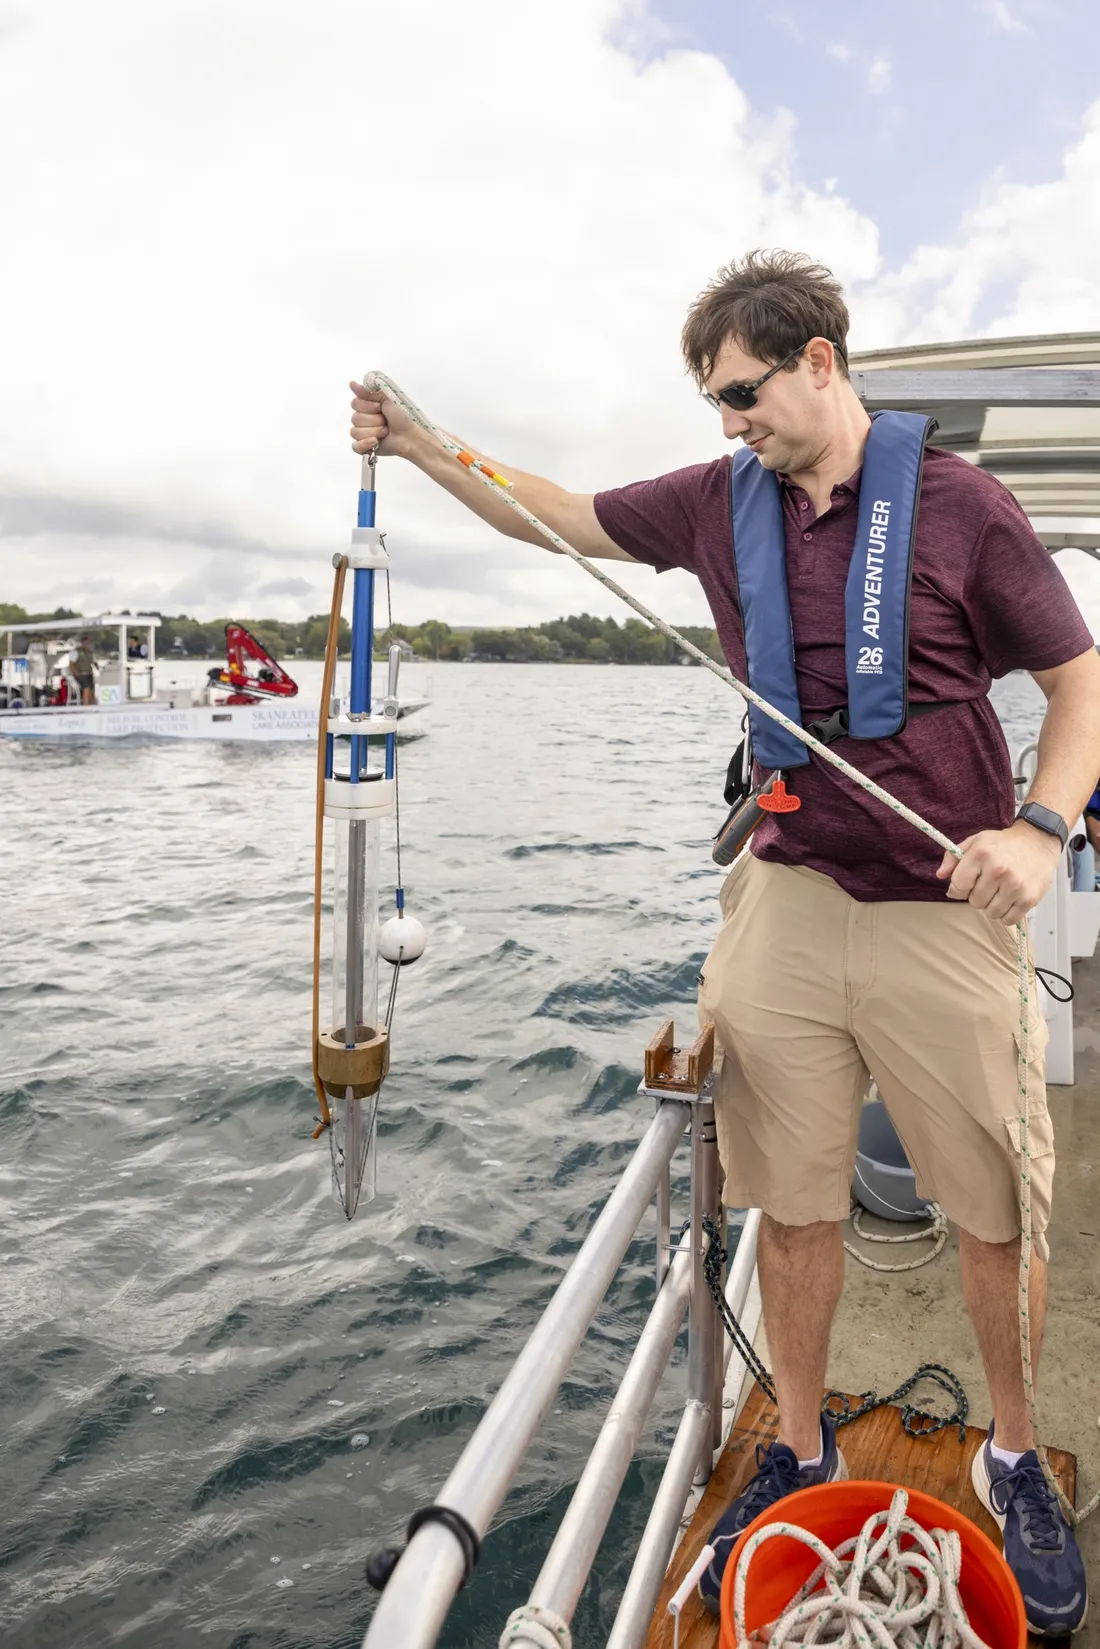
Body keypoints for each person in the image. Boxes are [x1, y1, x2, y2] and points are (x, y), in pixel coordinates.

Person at [348, 251, 1100, 1637]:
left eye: (743, 392)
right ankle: (800, 1440)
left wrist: (1045, 832)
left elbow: (1077, 680)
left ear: (820, 359)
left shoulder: (964, 508)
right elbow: (550, 516)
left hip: (946, 905)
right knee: (791, 1190)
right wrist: (423, 437)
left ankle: (1010, 1453)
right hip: (790, 897)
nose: (727, 422)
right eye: (712, 402)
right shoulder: (716, 501)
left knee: (993, 1203)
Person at [70, 635, 96, 705]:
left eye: (87, 643)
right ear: (82, 643)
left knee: (92, 688)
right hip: (80, 675)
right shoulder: (76, 652)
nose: (86, 645)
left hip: (89, 674)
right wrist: (76, 673)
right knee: (87, 687)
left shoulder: (90, 652)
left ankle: (91, 704)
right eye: (85, 643)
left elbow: (93, 662)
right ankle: (86, 705)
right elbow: (71, 664)